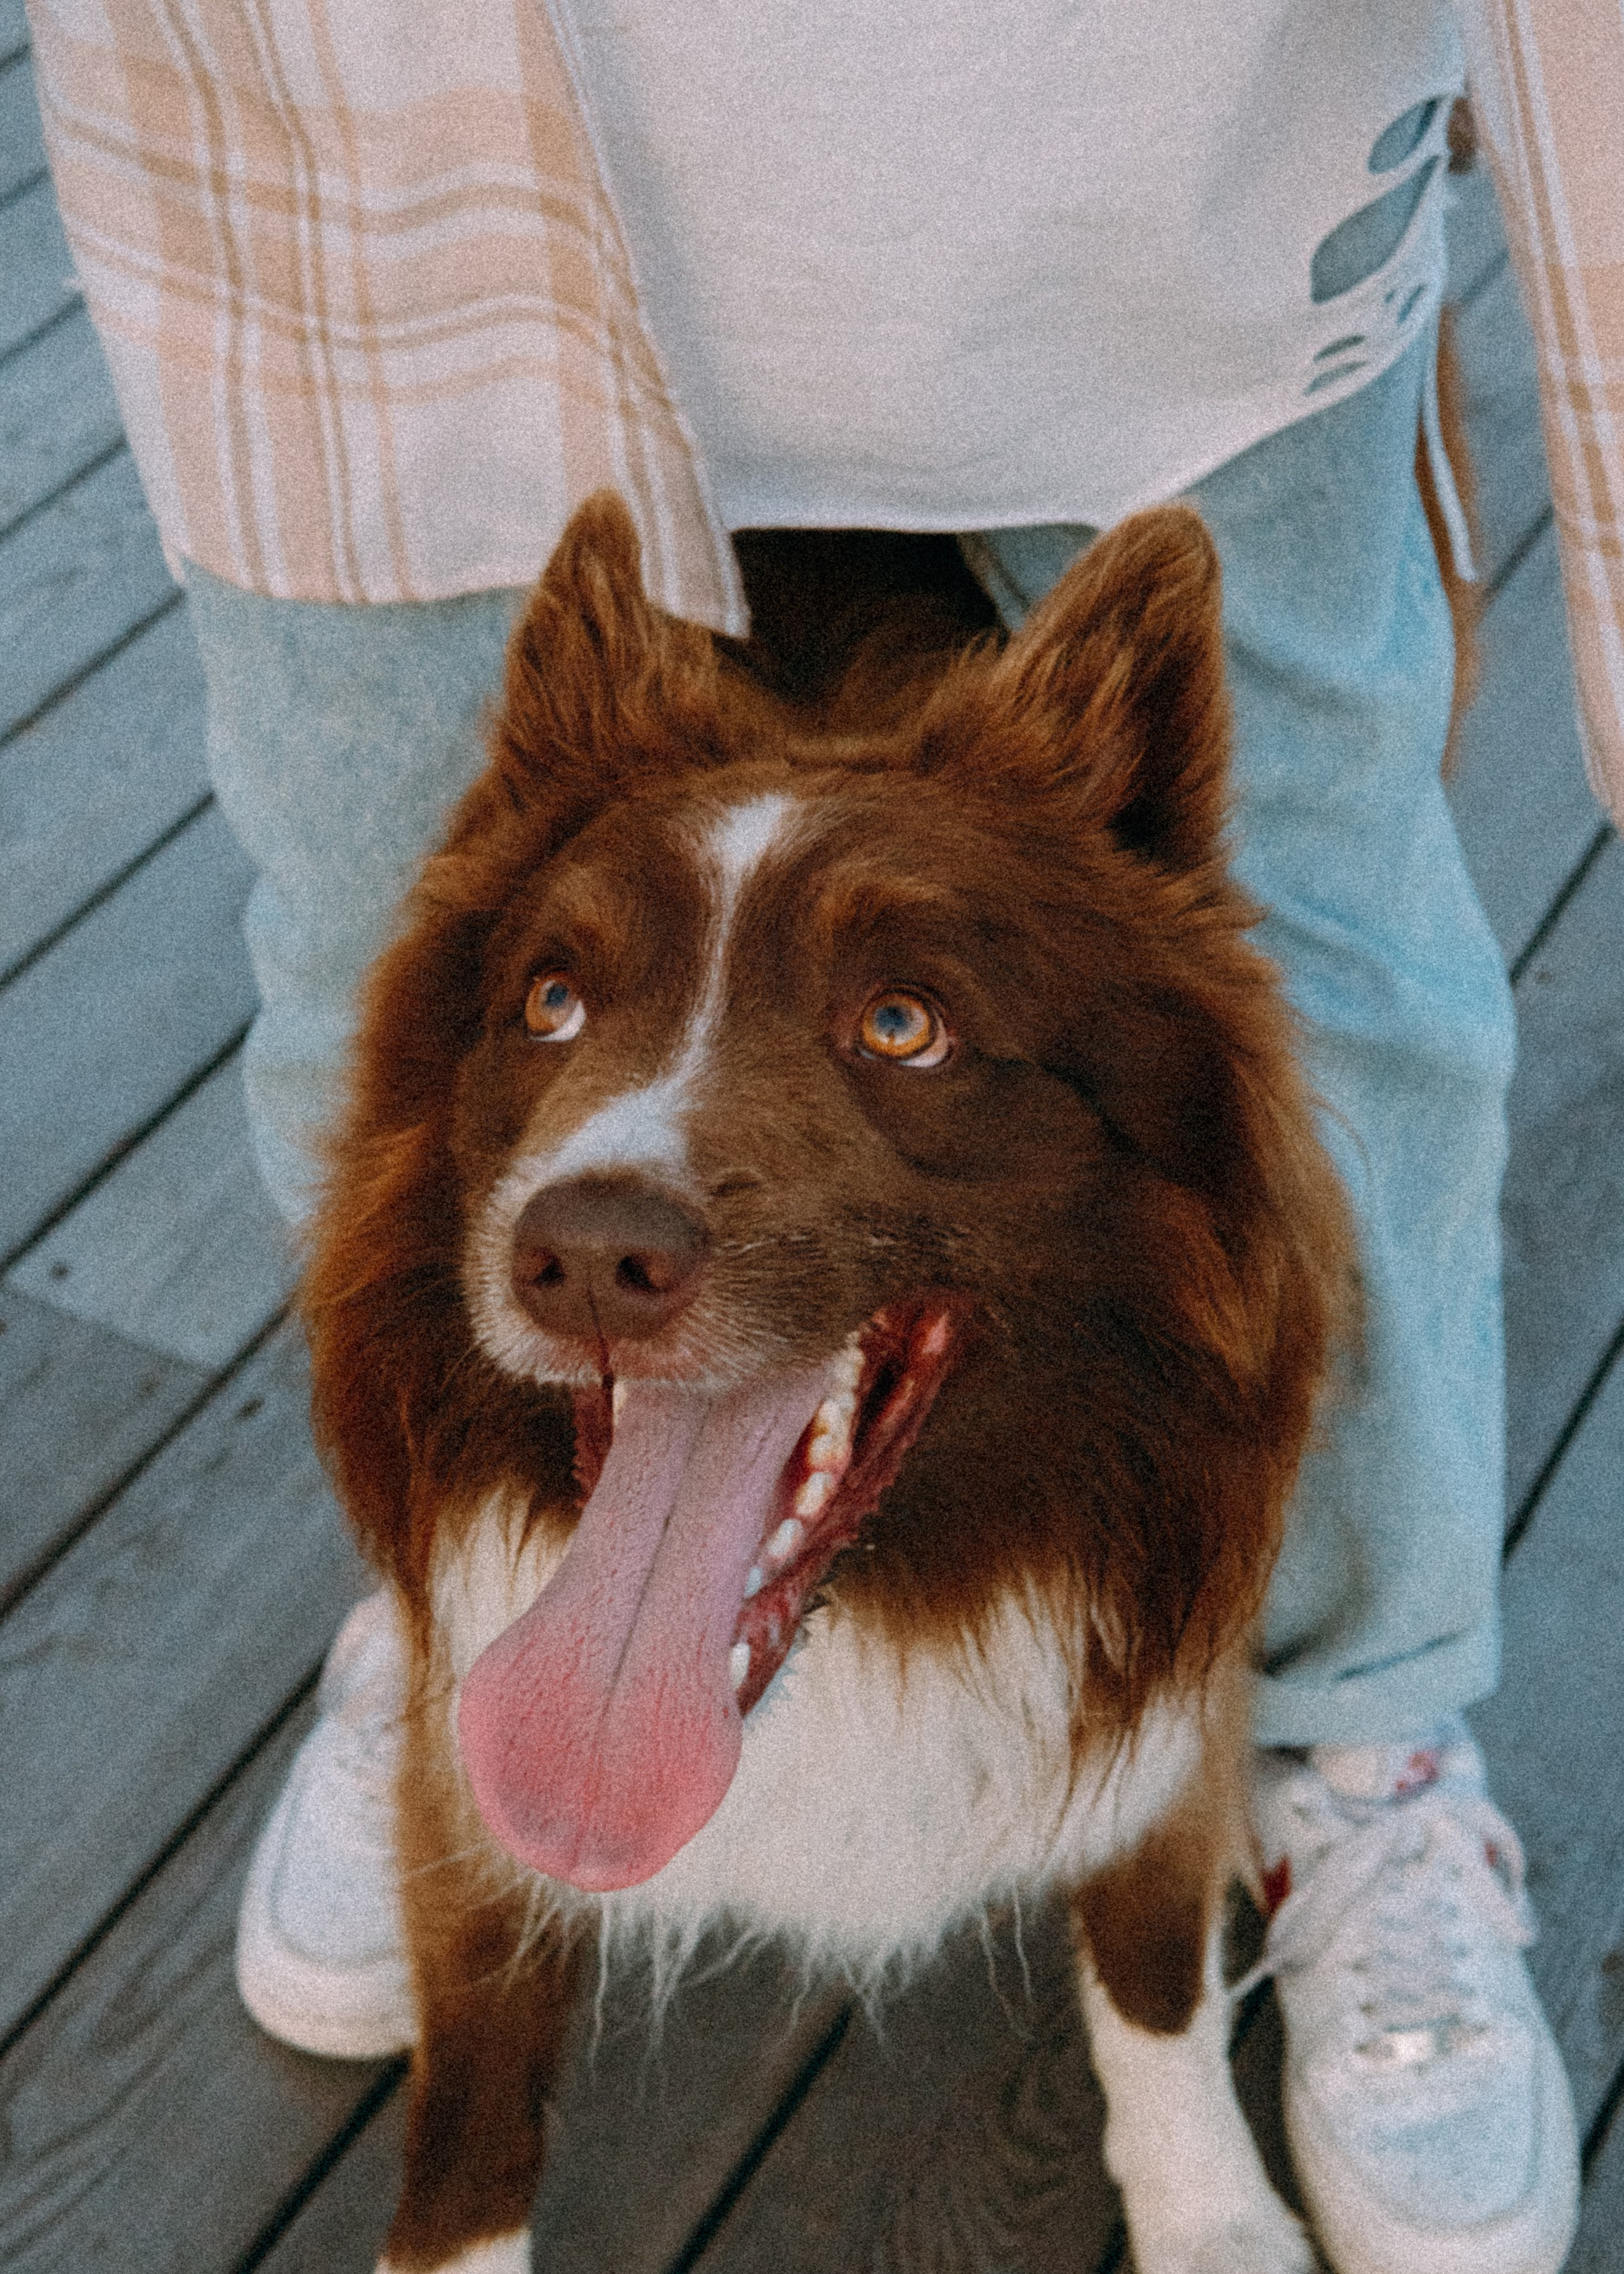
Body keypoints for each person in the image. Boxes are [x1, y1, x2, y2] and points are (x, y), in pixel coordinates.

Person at [30, 4, 1624, 2268]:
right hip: (358, 165)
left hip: (1155, 167)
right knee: (367, 972)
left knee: (1330, 995)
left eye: (898, 1020)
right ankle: (475, 1627)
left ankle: (1341, 1731)